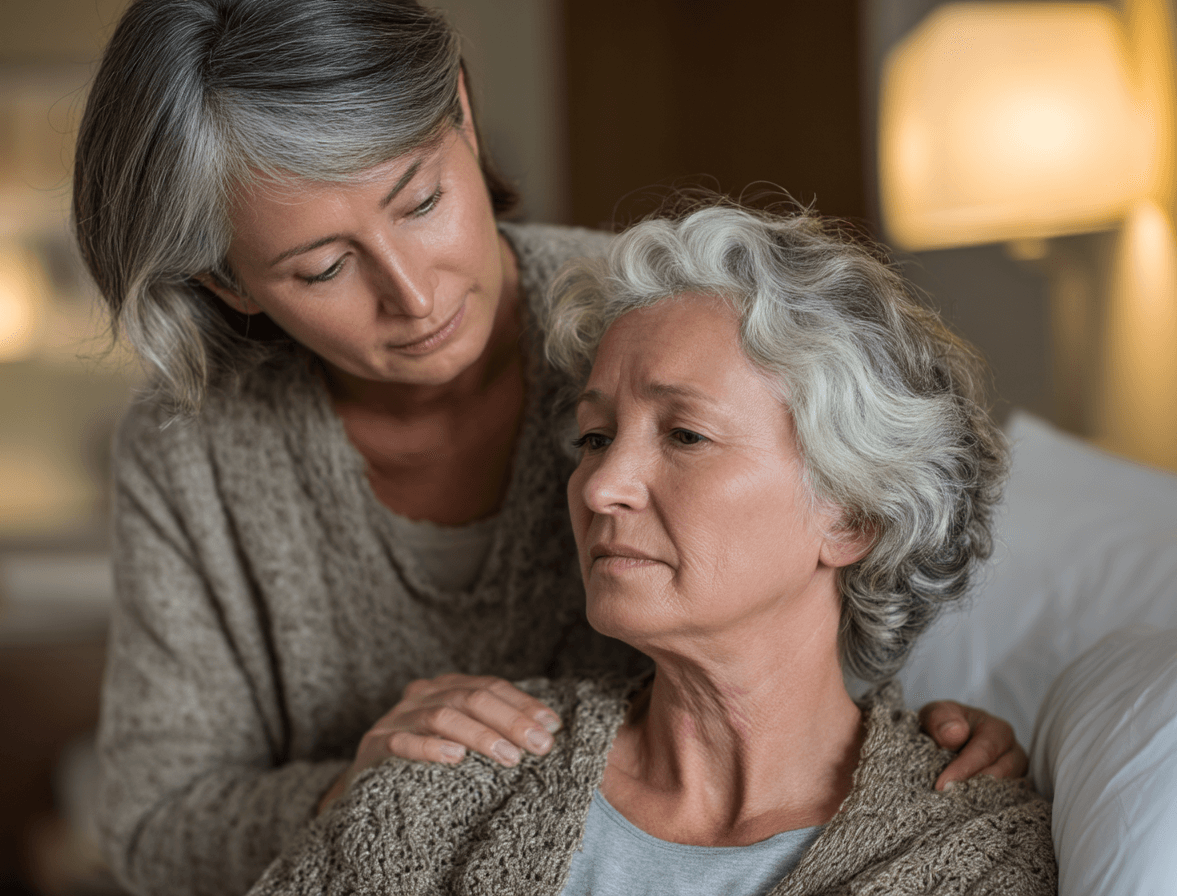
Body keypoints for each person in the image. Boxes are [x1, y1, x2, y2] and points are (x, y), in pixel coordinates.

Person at [72, 2, 1028, 894]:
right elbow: (158, 824)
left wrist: (928, 739)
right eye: (322, 266)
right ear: (230, 284)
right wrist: (370, 794)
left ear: (460, 112)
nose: (415, 295)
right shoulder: (193, 447)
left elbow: (828, 592)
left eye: (420, 202)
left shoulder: (655, 319)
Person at [245, 203, 1057, 896]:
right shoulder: (451, 781)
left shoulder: (968, 855)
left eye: (686, 434)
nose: (601, 487)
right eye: (595, 437)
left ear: (852, 518)